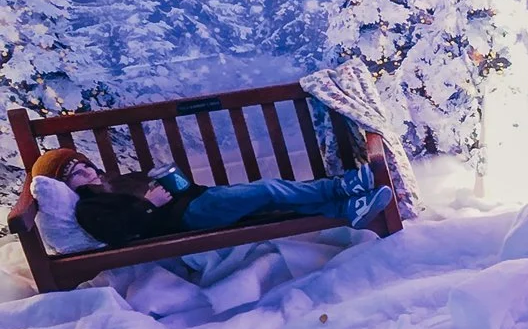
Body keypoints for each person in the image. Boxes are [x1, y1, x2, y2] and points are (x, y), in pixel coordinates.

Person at [31, 148, 395, 248]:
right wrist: (150, 204)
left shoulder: (111, 185)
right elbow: (118, 230)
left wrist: (173, 184)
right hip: (189, 217)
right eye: (76, 173)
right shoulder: (91, 207)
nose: (88, 172)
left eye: (85, 165)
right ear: (67, 185)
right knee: (267, 191)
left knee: (268, 203)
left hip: (195, 200)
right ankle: (340, 189)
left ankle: (347, 209)